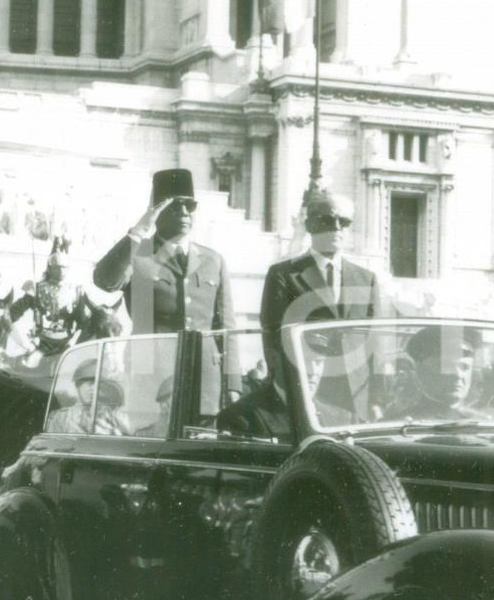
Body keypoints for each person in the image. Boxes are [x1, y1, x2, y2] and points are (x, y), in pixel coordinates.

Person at [94, 168, 233, 336]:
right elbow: (104, 280)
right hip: (152, 361)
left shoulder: (213, 260)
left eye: (189, 206)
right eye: (175, 206)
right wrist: (140, 229)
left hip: (202, 362)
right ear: (156, 212)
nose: (184, 213)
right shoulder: (137, 254)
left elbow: (226, 329)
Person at [260, 189, 380, 367]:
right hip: (306, 381)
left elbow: (373, 340)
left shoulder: (366, 279)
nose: (337, 228)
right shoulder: (284, 274)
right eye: (328, 220)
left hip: (354, 387)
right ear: (310, 226)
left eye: (344, 222)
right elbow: (273, 335)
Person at [217, 328, 350, 440]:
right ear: (273, 359)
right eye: (304, 361)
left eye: (319, 362)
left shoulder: (341, 418)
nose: (314, 371)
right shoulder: (241, 417)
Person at [388, 325, 487, 423]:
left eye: (465, 367)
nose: (458, 375)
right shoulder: (398, 424)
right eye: (447, 366)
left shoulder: (485, 422)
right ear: (421, 373)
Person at [46, 359, 129, 437]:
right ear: (78, 386)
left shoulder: (113, 417)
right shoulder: (61, 418)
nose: (93, 389)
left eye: (98, 385)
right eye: (89, 384)